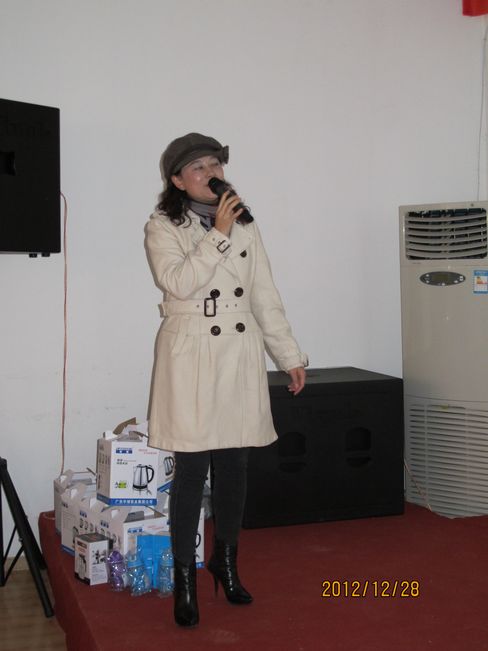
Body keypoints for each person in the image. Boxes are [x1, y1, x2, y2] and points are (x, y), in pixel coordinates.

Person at [145, 133, 308, 628]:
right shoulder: (162, 226)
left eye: (215, 164)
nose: (210, 173)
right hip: (191, 353)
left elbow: (263, 293)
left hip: (238, 350)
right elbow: (178, 282)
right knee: (192, 470)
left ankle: (226, 563)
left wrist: (288, 354)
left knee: (235, 466)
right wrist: (217, 233)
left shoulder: (245, 225)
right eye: (198, 167)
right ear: (177, 180)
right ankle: (185, 579)